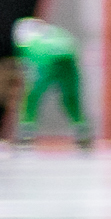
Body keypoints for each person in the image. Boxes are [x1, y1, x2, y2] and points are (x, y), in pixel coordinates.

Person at [8, 10, 86, 145]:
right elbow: (72, 46)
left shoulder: (29, 41)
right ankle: (82, 130)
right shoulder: (55, 32)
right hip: (68, 59)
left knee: (31, 97)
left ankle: (26, 132)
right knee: (71, 99)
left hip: (44, 61)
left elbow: (24, 62)